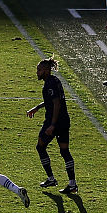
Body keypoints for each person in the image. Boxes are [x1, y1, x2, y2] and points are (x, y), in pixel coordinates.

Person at [26, 59, 78, 193]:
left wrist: (52, 125)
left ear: (46, 70)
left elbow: (56, 104)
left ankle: (51, 178)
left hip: (54, 122)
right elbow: (52, 100)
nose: (37, 72)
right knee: (64, 151)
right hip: (64, 121)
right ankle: (72, 184)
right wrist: (37, 107)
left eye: (39, 70)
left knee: (40, 147)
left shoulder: (49, 84)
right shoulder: (55, 80)